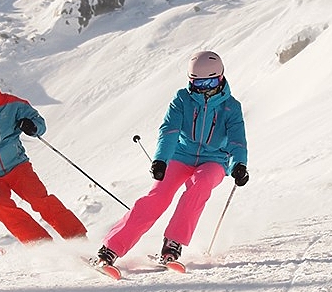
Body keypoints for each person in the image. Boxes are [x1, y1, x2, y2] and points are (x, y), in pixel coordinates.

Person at [95, 50, 249, 268]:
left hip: (214, 160)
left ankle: (172, 244)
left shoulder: (231, 107)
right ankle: (110, 248)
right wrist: (161, 160)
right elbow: (169, 131)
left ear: (221, 77)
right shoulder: (182, 99)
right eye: (199, 84)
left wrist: (239, 165)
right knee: (157, 196)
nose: (205, 89)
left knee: (200, 185)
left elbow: (237, 141)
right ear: (191, 81)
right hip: (181, 155)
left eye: (211, 82)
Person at [0, 69, 87, 245]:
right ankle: (41, 244)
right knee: (1, 206)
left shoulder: (13, 105)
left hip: (17, 165)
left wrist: (32, 126)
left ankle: (77, 238)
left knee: (41, 200)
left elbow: (38, 122)